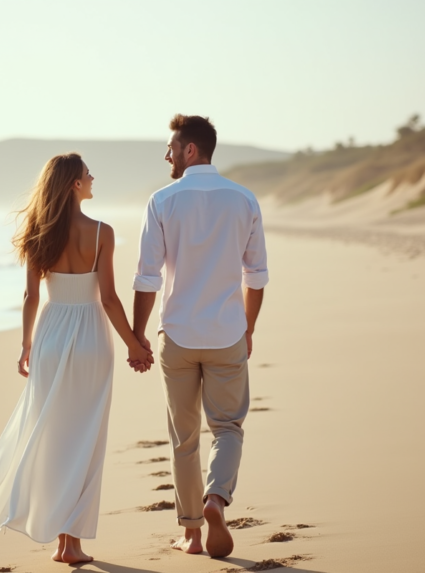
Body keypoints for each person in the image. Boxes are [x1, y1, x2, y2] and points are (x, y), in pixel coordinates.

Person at [0, 153, 152, 565]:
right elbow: (111, 299)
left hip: (50, 335)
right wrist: (134, 343)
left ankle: (64, 540)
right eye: (87, 174)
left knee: (54, 438)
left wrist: (26, 344)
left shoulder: (36, 232)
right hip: (92, 337)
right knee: (86, 437)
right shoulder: (102, 233)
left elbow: (30, 297)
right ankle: (72, 542)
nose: (93, 177)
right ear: (74, 186)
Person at [130, 115, 268, 558]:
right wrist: (248, 328)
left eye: (171, 146)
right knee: (227, 427)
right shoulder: (244, 199)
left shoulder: (162, 200)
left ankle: (191, 534)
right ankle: (216, 499)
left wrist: (138, 335)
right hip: (227, 331)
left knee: (184, 437)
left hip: (180, 335)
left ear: (191, 149)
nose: (167, 154)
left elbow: (147, 278)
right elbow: (257, 276)